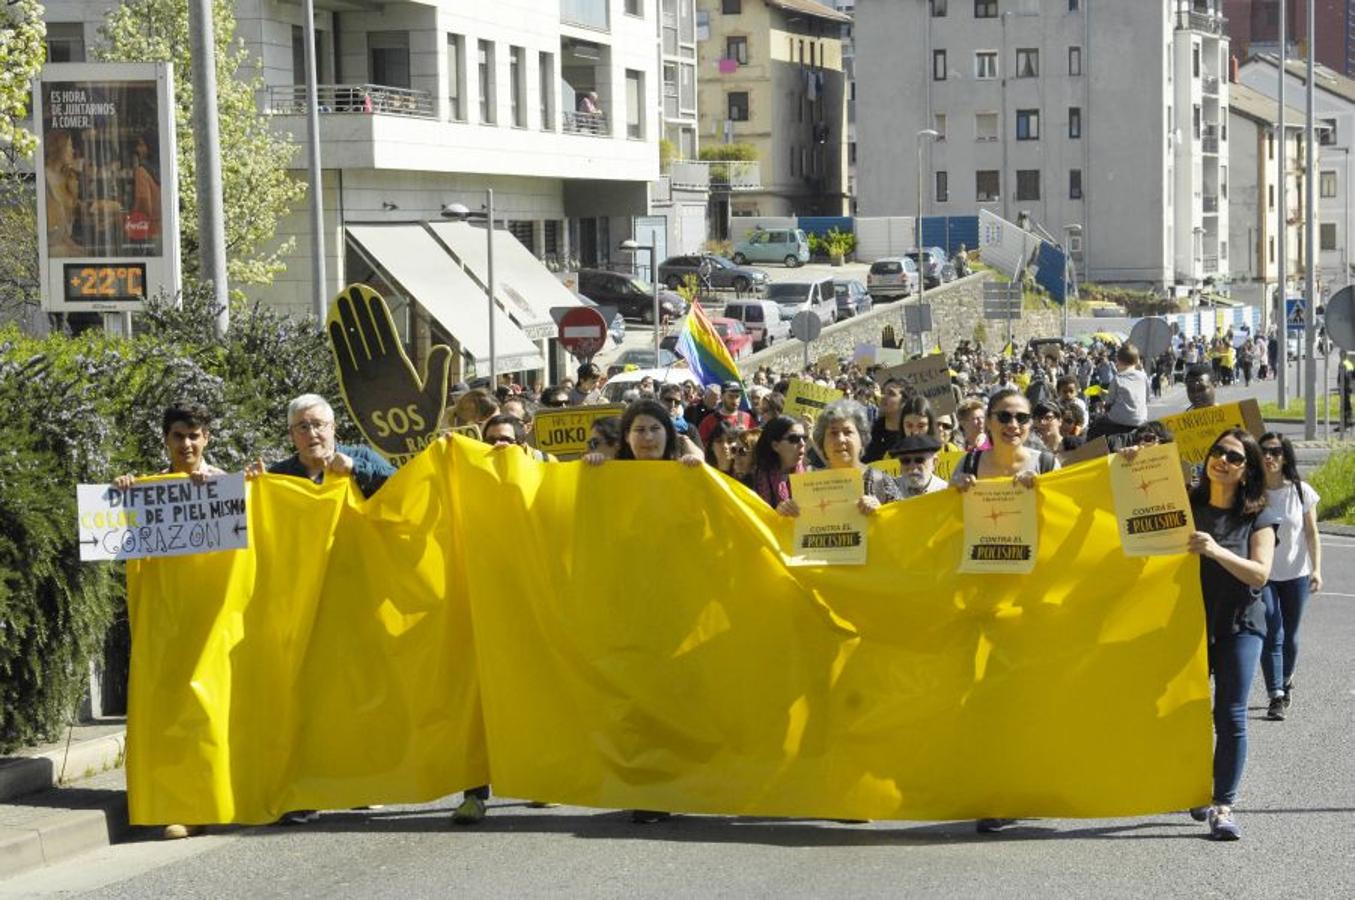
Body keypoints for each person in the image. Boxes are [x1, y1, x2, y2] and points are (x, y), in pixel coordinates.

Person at [581, 399, 701, 825]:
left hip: (680, 605)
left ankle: (689, 780)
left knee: (679, 696)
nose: (647, 438)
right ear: (626, 438)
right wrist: (592, 473)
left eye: (654, 429)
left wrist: (702, 474)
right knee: (639, 699)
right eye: (638, 430)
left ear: (668, 434)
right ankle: (651, 789)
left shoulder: (687, 474)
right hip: (630, 606)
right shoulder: (610, 478)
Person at [113, 403, 225, 842]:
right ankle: (186, 805)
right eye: (179, 436)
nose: (187, 444)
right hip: (170, 623)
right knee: (174, 711)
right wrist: (123, 492)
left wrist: (226, 489)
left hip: (216, 618)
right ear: (166, 439)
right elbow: (121, 538)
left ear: (207, 438)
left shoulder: (226, 487)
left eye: (195, 435)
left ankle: (225, 798)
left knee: (213, 710)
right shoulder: (150, 490)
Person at [1186, 428, 1278, 841]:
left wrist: (1215, 550)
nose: (1223, 460)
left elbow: (1260, 573)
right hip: (1188, 624)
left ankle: (1223, 805)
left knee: (1231, 713)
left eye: (1235, 457)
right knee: (1181, 710)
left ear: (1247, 471)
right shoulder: (1186, 503)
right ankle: (1189, 785)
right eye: (1218, 452)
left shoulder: (1258, 514)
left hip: (1241, 623)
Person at [1257, 433, 1323, 721]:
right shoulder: (1252, 490)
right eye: (1263, 452)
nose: (1268, 457)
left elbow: (1311, 533)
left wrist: (1317, 569)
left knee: (1291, 636)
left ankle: (1286, 678)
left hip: (1297, 574)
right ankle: (1276, 695)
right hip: (1264, 574)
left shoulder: (1300, 491)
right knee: (1273, 631)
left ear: (1285, 456)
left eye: (1274, 451)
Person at [260, 395, 395, 501]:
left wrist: (355, 467)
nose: (312, 434)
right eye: (303, 427)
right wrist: (255, 484)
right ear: (291, 434)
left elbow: (401, 485)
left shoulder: (361, 457)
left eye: (318, 424)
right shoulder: (278, 476)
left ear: (333, 428)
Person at [951, 389, 1058, 492]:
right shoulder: (968, 464)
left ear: (1030, 423)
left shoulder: (1046, 465)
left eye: (1022, 417)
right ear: (988, 421)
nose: (1013, 425)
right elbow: (948, 509)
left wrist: (1043, 488)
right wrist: (952, 491)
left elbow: (1064, 507)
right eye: (1004, 417)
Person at [1087, 342, 1149, 441]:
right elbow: (1146, 398)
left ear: (1118, 361)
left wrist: (1102, 396)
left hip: (1118, 419)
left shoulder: (1118, 378)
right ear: (1136, 361)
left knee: (1095, 426)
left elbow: (1109, 402)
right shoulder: (1143, 376)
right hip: (1141, 419)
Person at [750, 416, 808, 509]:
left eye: (804, 438)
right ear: (775, 445)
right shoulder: (753, 478)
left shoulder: (810, 475)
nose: (802, 443)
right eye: (794, 439)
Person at [892, 433, 948, 498]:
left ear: (934, 463)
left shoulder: (945, 491)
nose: (912, 467)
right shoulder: (890, 490)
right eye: (906, 461)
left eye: (919, 460)